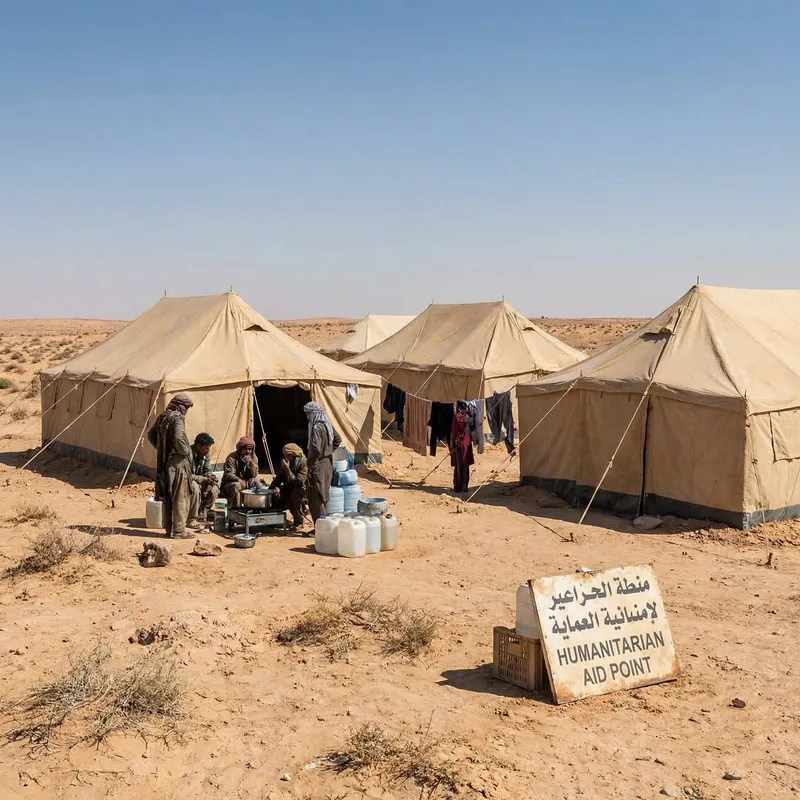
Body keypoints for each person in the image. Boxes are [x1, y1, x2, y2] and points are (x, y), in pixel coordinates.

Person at [146, 393, 195, 539]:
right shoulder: (177, 418)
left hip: (165, 462)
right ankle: (179, 531)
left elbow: (151, 435)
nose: (186, 410)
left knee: (168, 496)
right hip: (178, 463)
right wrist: (185, 451)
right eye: (185, 407)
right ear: (179, 405)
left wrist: (162, 448)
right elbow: (179, 438)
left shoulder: (163, 416)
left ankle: (169, 529)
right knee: (180, 496)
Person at [304, 401, 341, 520]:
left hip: (318, 466)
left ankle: (320, 525)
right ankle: (322, 524)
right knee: (323, 494)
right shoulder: (327, 425)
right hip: (327, 464)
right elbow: (338, 439)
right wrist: (328, 452)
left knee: (317, 497)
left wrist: (309, 464)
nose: (307, 417)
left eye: (308, 414)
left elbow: (316, 449)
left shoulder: (316, 428)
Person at [270, 443, 308, 531]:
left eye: (287, 455)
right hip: (289, 487)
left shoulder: (303, 462)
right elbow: (278, 478)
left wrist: (287, 469)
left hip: (301, 489)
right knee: (274, 496)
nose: (285, 457)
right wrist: (275, 487)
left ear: (293, 454)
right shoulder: (287, 462)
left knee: (293, 499)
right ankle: (275, 519)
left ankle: (299, 521)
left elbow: (299, 482)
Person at [221, 436, 268, 507]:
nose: (248, 451)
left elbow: (254, 475)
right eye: (246, 449)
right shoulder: (231, 458)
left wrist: (251, 462)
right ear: (241, 449)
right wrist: (240, 480)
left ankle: (257, 507)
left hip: (247, 483)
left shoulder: (254, 458)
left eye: (250, 449)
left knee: (257, 483)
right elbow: (229, 474)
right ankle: (237, 509)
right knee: (237, 486)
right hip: (230, 485)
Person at [188, 432, 219, 527]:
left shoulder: (206, 454)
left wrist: (210, 477)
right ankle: (191, 519)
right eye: (206, 448)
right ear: (198, 445)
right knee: (195, 487)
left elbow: (207, 470)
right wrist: (203, 479)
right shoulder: (188, 454)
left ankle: (203, 512)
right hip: (187, 481)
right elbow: (187, 475)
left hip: (200, 480)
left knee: (215, 488)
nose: (208, 450)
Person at [450, 400, 475, 494]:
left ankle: (458, 486)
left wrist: (452, 445)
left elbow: (454, 433)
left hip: (458, 444)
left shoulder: (456, 417)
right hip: (466, 444)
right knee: (465, 464)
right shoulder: (469, 417)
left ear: (459, 407)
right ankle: (465, 486)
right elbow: (472, 428)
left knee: (458, 464)